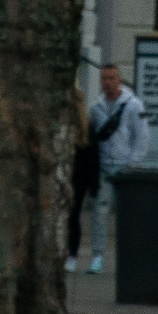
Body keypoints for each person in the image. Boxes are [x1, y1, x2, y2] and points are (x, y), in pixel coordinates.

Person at [81, 63, 148, 275]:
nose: (107, 82)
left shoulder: (134, 106)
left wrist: (133, 163)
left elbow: (142, 136)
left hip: (125, 167)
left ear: (119, 80)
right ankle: (98, 257)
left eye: (112, 78)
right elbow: (91, 139)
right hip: (103, 166)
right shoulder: (95, 108)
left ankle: (132, 257)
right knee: (100, 213)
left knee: (129, 215)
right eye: (104, 78)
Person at [65, 84, 99, 274]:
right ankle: (69, 255)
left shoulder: (86, 128)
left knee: (71, 216)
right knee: (69, 216)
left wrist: (93, 185)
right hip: (74, 176)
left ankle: (71, 255)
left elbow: (93, 159)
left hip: (77, 177)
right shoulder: (84, 127)